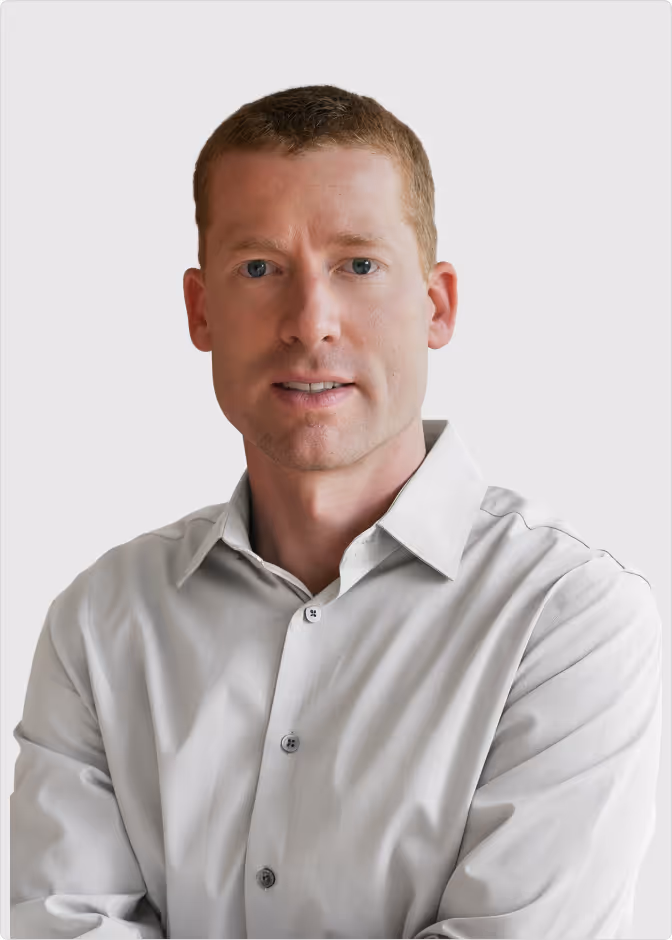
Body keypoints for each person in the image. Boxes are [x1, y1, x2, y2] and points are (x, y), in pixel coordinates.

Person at [10, 85, 662, 940]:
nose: (310, 323)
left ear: (438, 305)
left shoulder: (567, 618)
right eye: (260, 268)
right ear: (201, 311)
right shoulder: (100, 623)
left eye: (358, 265)